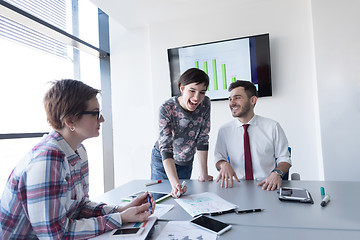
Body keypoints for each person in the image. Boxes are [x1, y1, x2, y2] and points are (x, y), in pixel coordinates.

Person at [0, 79, 155, 239]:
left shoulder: (78, 150)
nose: (101, 119)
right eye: (95, 113)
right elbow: (56, 236)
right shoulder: (48, 159)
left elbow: (79, 207)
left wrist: (121, 210)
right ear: (70, 121)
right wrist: (120, 219)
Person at [214, 80, 291, 191]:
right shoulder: (224, 130)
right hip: (235, 187)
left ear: (252, 100)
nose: (232, 103)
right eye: (230, 99)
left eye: (237, 98)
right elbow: (218, 158)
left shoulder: (272, 127)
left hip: (266, 186)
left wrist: (276, 173)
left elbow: (285, 159)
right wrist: (223, 164)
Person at [151, 68, 213, 198]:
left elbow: (202, 139)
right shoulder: (167, 108)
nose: (197, 97)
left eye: (202, 92)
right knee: (160, 200)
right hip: (163, 160)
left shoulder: (205, 103)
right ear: (181, 88)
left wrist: (204, 175)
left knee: (181, 198)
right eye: (192, 90)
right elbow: (166, 147)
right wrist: (175, 183)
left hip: (186, 160)